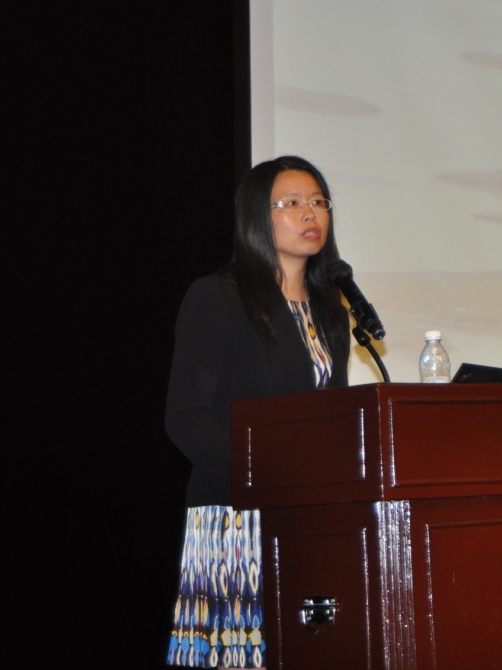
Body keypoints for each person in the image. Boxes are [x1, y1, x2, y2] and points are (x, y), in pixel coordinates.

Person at [165, 155, 350, 668]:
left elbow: (333, 415)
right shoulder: (218, 297)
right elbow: (185, 416)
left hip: (308, 518)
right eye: (291, 203)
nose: (310, 213)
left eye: (318, 202)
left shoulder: (331, 311)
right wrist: (259, 476)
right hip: (234, 517)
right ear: (255, 217)